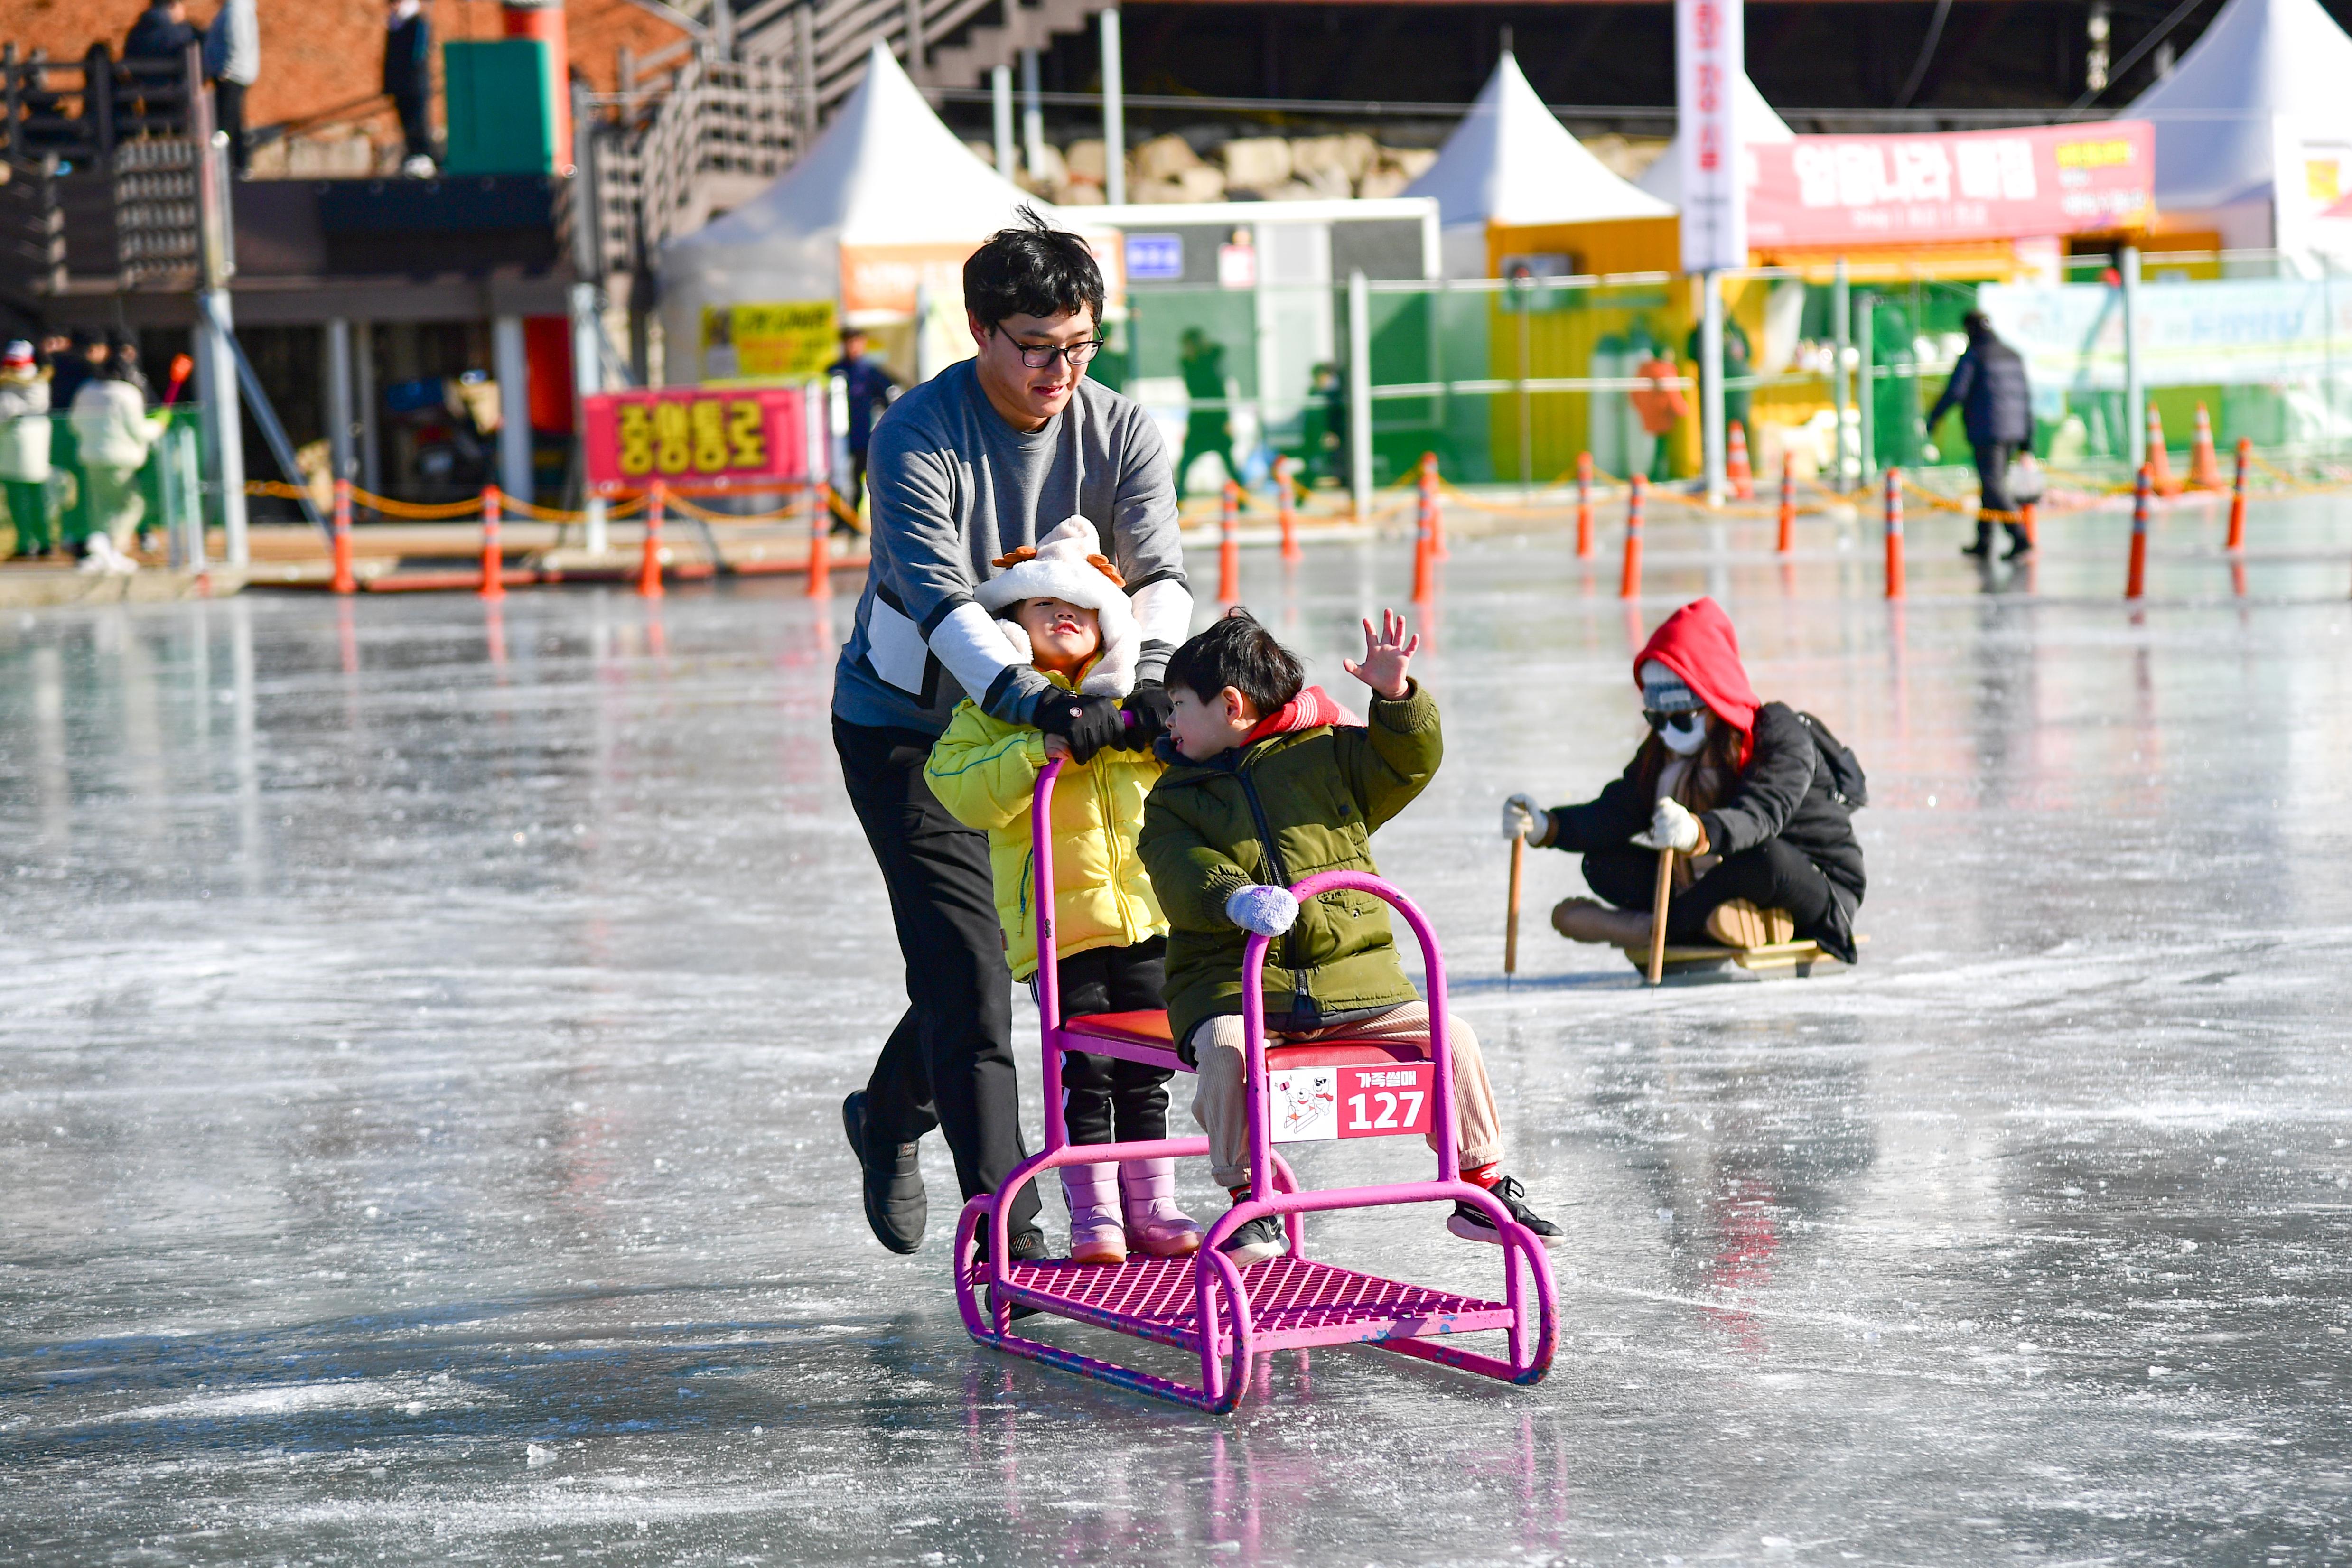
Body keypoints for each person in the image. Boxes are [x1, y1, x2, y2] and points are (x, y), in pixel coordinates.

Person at [833, 209, 1190, 1265]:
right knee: (970, 974)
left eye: (1080, 345)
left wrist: (1154, 682)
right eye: (1037, 348)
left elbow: (1161, 572)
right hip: (917, 729)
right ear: (982, 330)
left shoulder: (1121, 428)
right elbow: (942, 600)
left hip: (1074, 731)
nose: (1060, 370)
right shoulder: (916, 432)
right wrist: (1035, 700)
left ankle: (892, 1106)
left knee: (1073, 953)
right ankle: (1013, 1237)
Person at [1138, 607, 1563, 1265]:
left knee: (1450, 1038)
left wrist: (1394, 700)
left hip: (1354, 986)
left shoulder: (1326, 754)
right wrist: (1235, 897)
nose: (1170, 722)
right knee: (1226, 1051)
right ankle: (1249, 1201)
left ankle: (1480, 1187)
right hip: (1237, 989)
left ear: (1229, 704)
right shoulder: (1174, 796)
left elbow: (1404, 765)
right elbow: (1174, 865)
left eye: (1178, 705)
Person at [923, 516, 1203, 1267]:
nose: (1062, 617)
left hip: (1146, 916)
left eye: (1077, 608)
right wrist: (1035, 748)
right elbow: (958, 791)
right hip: (1060, 931)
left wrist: (1158, 734)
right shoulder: (990, 712)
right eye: (1042, 608)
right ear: (1013, 627)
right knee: (1086, 1072)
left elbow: (1198, 765)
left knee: (1150, 1070)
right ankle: (1096, 1213)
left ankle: (1156, 1205)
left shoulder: (1141, 700)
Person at [1503, 597, 1865, 964]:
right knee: (1603, 864)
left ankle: (1648, 928)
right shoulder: (1665, 749)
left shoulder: (1778, 734)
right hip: (1712, 882)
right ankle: (1723, 920)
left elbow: (1761, 814)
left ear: (1714, 700)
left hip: (1816, 883)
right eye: (1657, 719)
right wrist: (1548, 826)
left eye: (1680, 718)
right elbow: (1620, 810)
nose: (1668, 731)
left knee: (1763, 858)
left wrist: (1697, 832)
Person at [1927, 310, 2036, 560]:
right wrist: (2028, 443)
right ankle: (1984, 540)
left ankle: (2020, 537)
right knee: (1990, 485)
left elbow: (1956, 391)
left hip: (1988, 429)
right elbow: (2025, 399)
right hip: (2014, 430)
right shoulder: (2012, 355)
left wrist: (1934, 418)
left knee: (1993, 485)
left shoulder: (1975, 355)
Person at [70, 352, 164, 573]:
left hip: (91, 457)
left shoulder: (86, 390)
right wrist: (158, 426)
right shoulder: (127, 394)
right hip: (120, 459)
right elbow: (138, 430)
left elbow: (74, 423)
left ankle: (102, 553)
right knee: (132, 504)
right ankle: (112, 547)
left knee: (101, 507)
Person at [826, 326, 901, 531]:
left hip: (864, 437)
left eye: (856, 341)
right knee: (836, 478)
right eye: (848, 342)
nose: (853, 347)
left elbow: (891, 399)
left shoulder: (872, 372)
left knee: (860, 479)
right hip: (837, 439)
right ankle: (839, 519)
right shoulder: (834, 371)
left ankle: (853, 519)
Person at [0, 341, 53, 559]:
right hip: (20, 446)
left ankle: (32, 542)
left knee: (23, 497)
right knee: (33, 497)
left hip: (22, 444)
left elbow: (5, 410)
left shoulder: (31, 381)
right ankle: (39, 541)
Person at [1176, 327, 1233, 496]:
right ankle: (1180, 496)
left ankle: (1242, 496)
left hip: (1216, 418)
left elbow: (1220, 392)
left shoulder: (1210, 362)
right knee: (1187, 461)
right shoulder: (1187, 364)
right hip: (1199, 419)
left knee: (1228, 461)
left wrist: (1227, 420)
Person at [203, 0, 258, 177]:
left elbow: (238, 41)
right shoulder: (236, 8)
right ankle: (241, 165)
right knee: (234, 121)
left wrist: (228, 69)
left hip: (232, 74)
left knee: (225, 123)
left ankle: (228, 165)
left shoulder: (236, 9)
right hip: (235, 72)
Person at [384, 0, 436, 177]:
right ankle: (413, 155)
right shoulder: (395, 25)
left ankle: (423, 157)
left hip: (414, 87)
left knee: (418, 123)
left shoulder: (417, 23)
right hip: (400, 88)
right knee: (406, 123)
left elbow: (418, 56)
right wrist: (388, 85)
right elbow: (390, 59)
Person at [1629, 339, 1688, 483]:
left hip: (1648, 415)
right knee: (1662, 447)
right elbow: (1672, 393)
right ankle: (1660, 475)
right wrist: (1683, 410)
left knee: (1655, 445)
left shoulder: (1644, 370)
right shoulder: (1665, 371)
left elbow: (1634, 394)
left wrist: (1642, 409)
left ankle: (1652, 473)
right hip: (1663, 415)